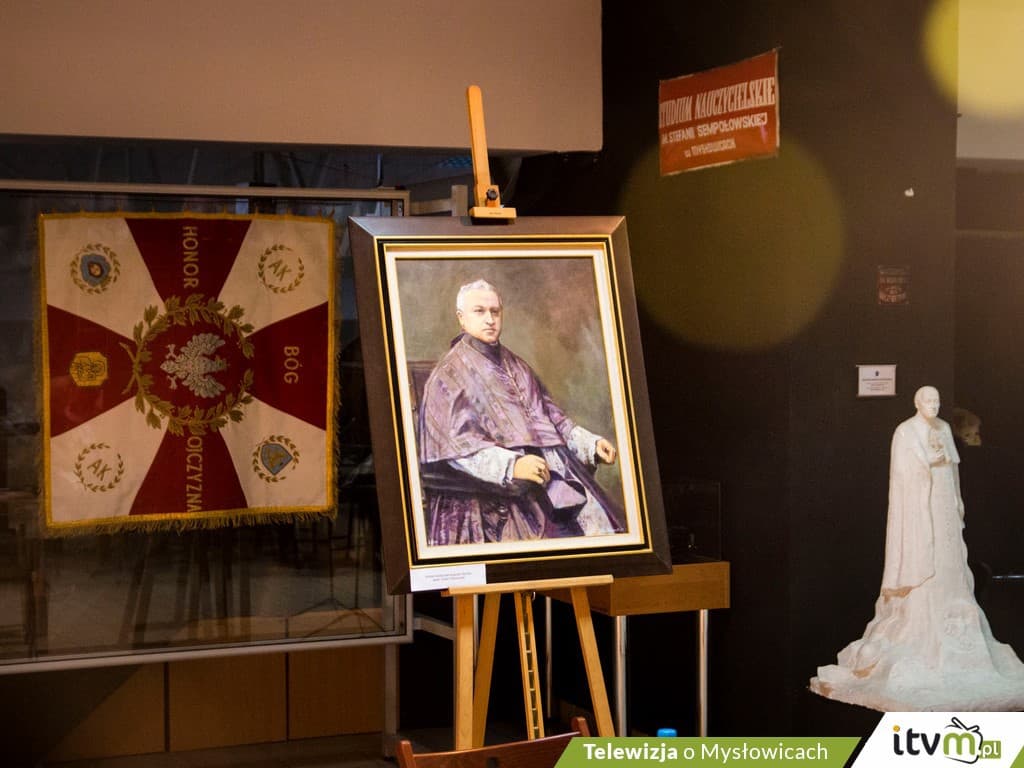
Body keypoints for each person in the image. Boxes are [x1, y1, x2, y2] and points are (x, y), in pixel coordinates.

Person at [810, 386, 1024, 711]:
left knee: (950, 559)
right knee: (929, 562)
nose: (934, 406)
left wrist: (955, 497)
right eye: (929, 401)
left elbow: (953, 469)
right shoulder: (906, 432)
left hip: (944, 504)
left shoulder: (944, 428)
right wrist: (928, 462)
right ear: (917, 403)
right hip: (921, 511)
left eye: (937, 401)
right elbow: (902, 473)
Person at [415, 279, 625, 545]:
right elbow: (456, 449)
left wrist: (589, 444)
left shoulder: (517, 365)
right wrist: (513, 465)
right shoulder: (447, 375)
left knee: (602, 527)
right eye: (479, 311)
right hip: (492, 493)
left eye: (495, 311)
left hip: (553, 477)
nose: (490, 319)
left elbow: (552, 417)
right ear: (462, 318)